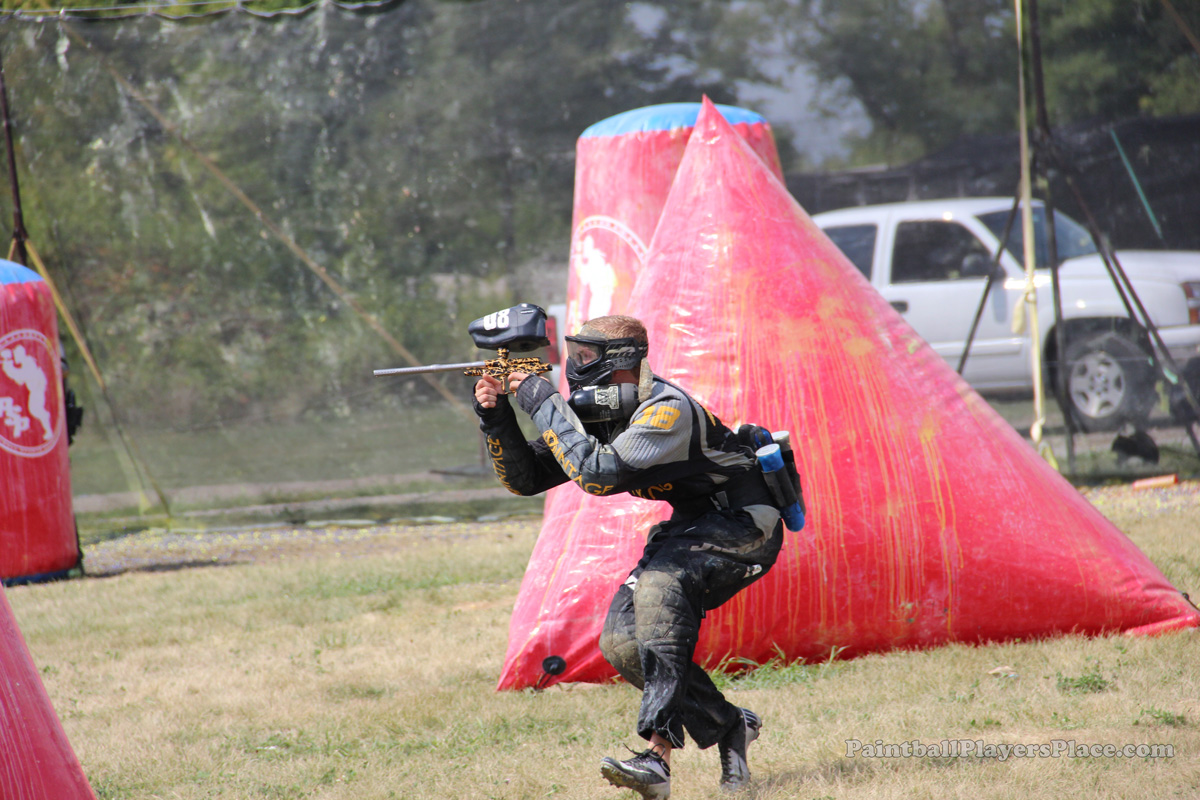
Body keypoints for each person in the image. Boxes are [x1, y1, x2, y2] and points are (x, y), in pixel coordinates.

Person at [473, 314, 786, 799]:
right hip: (690, 527)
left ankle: (656, 759)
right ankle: (730, 726)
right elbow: (527, 478)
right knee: (622, 644)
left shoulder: (665, 409)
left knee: (660, 590)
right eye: (573, 353)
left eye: (585, 355)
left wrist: (543, 402)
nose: (575, 364)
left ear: (619, 360)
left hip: (744, 525)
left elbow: (598, 475)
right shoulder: (601, 412)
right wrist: (496, 418)